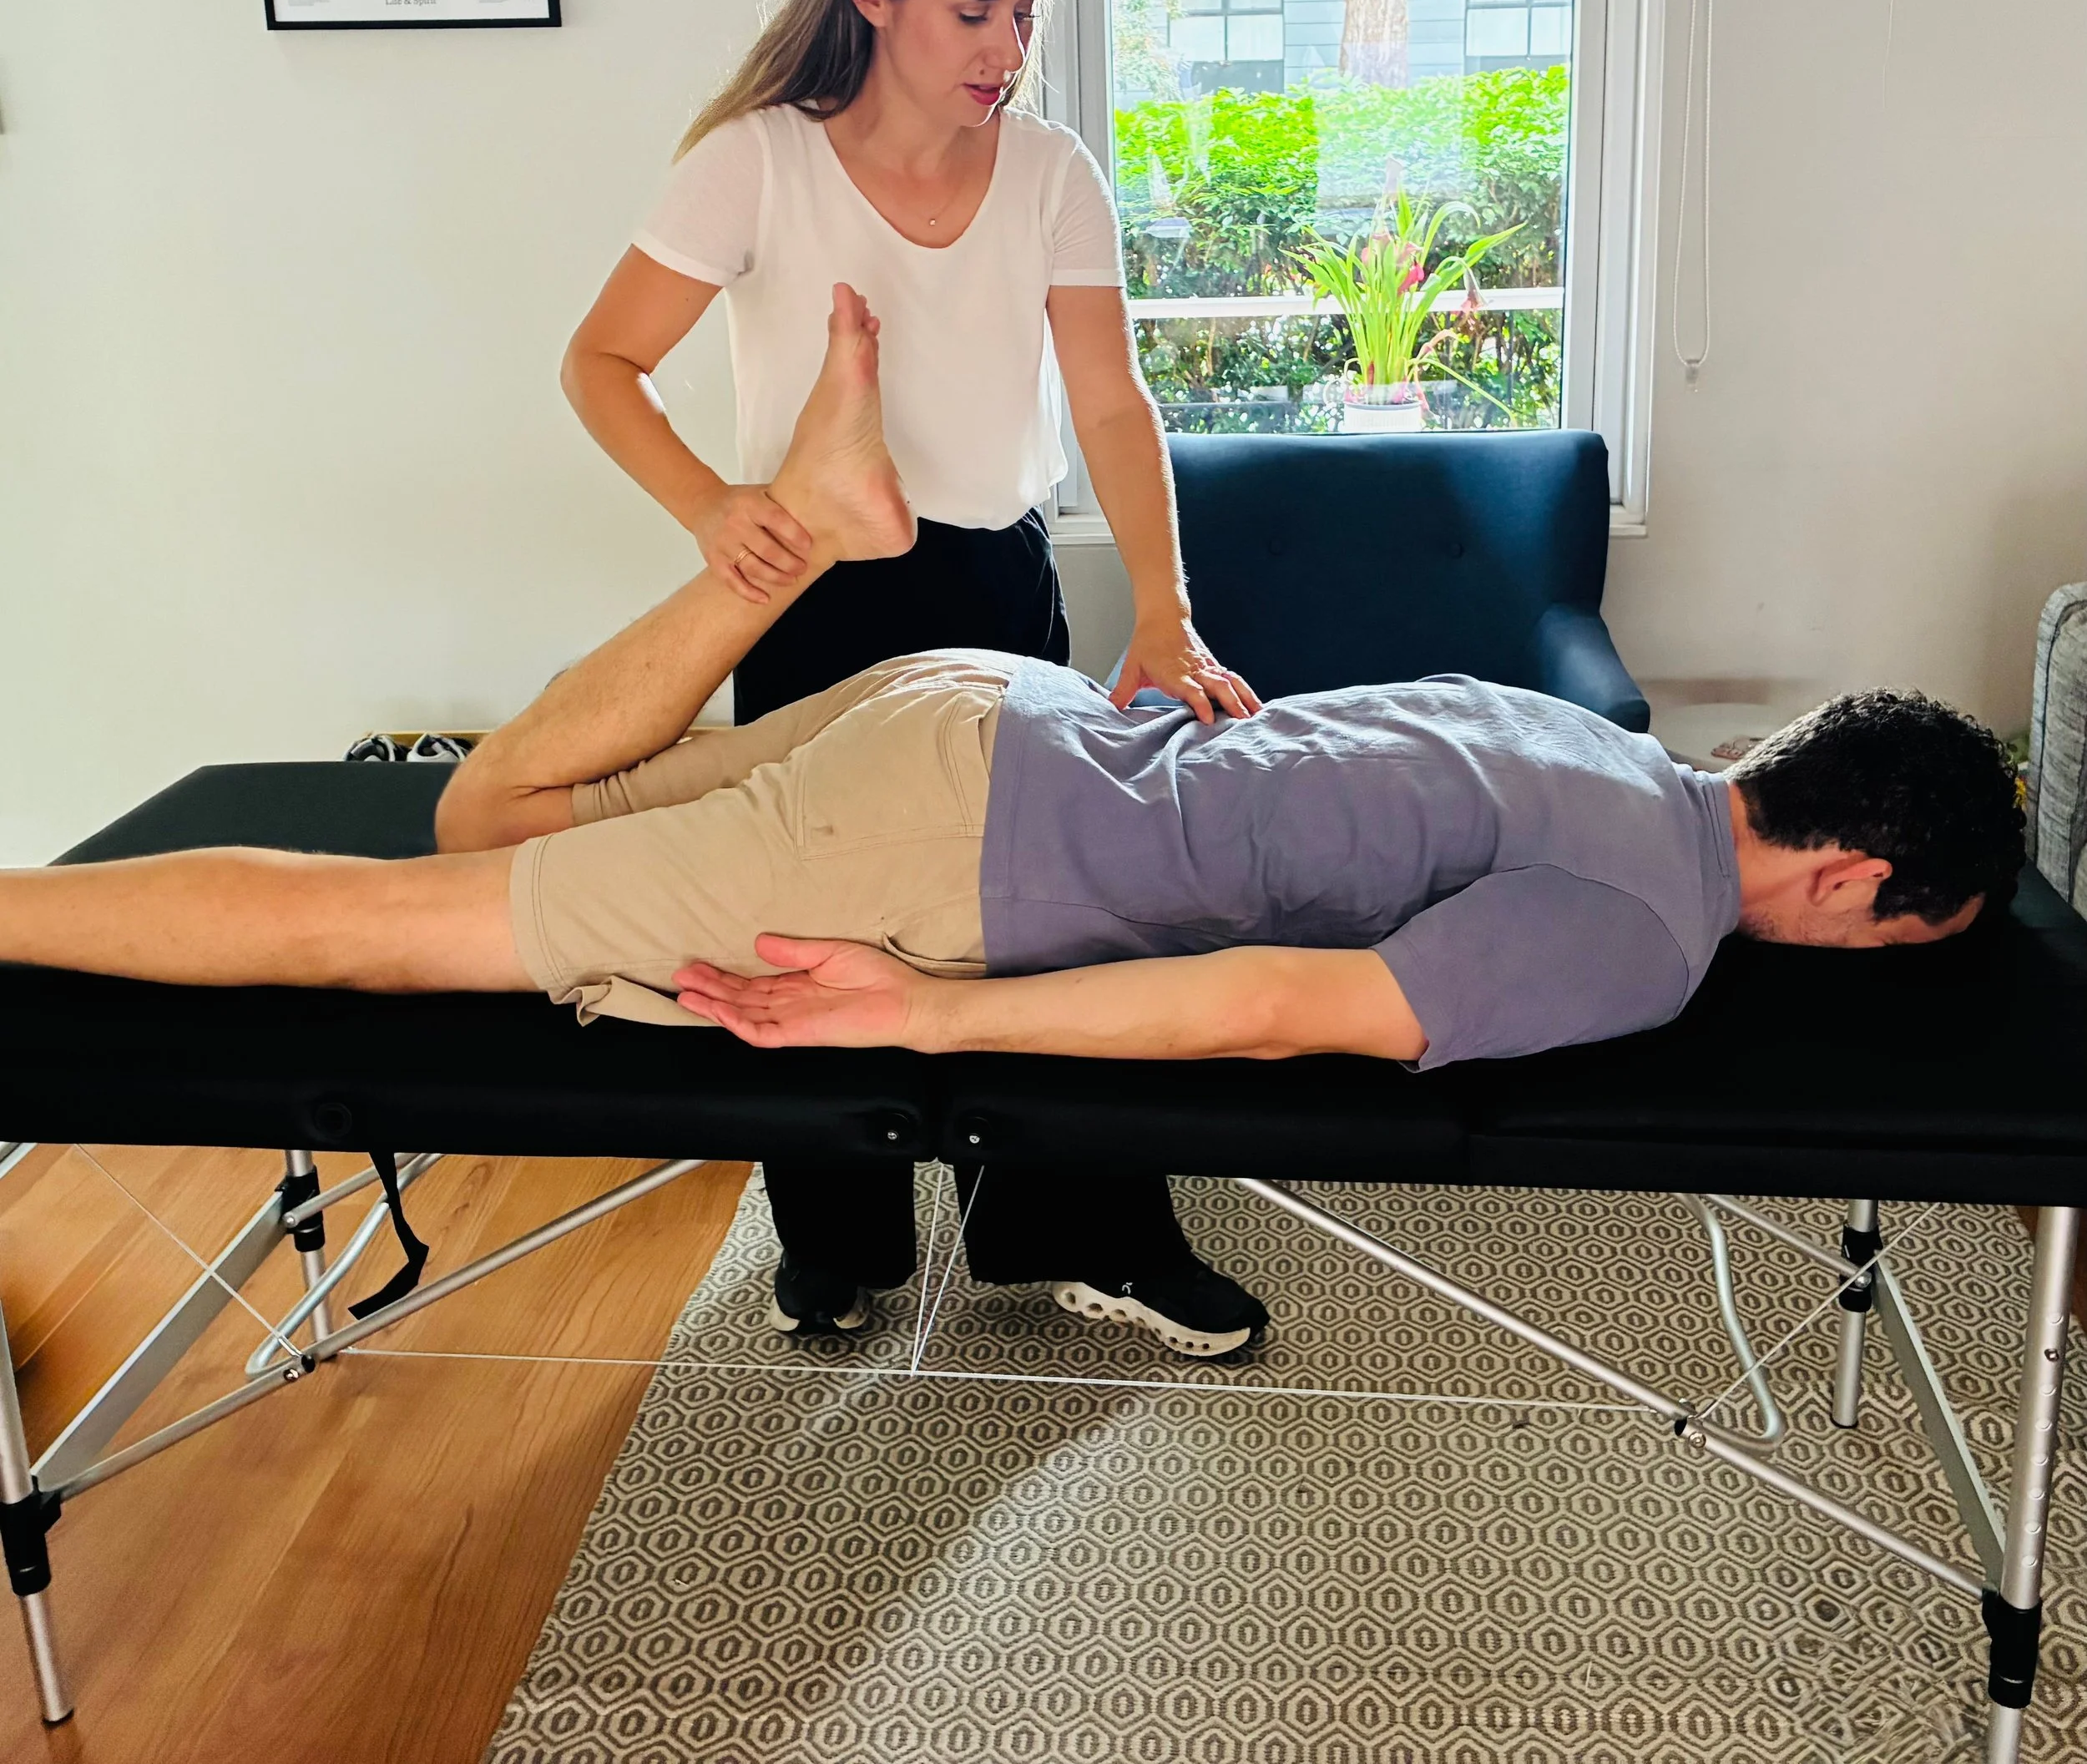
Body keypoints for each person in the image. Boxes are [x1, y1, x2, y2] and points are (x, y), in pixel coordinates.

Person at [0, 291, 2021, 1359]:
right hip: (943, 861)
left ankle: (785, 556)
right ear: (1848, 875)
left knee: (476, 811)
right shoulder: (1639, 934)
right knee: (378, 926)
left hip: (982, 708)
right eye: (1887, 936)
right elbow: (1267, 1014)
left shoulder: (1586, 742)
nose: (1858, 958)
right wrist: (921, 1017)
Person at [558, 0, 1262, 1347]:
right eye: (975, 12)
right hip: (814, 592)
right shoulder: (754, 162)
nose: (1008, 46)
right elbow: (601, 363)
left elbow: (1112, 400)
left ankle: (1083, 1230)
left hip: (999, 589)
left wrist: (1166, 608)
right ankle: (836, 1239)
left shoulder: (1055, 173)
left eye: (1026, 12)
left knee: (1055, 919)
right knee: (798, 918)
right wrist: (711, 508)